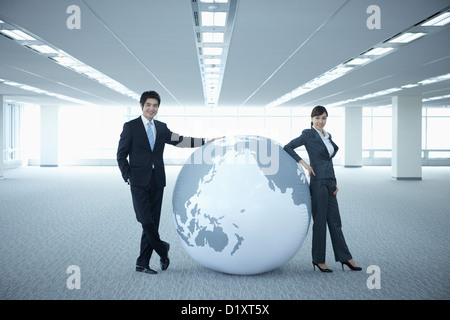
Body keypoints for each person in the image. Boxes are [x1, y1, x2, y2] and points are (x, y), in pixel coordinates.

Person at [117, 90, 223, 274]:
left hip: (157, 181)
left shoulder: (161, 127)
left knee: (152, 223)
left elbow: (180, 140)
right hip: (138, 182)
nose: (152, 108)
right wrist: (128, 177)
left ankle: (142, 262)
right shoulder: (130, 127)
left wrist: (206, 141)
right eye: (148, 105)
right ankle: (162, 248)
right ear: (141, 106)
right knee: (145, 221)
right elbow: (121, 155)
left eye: (155, 105)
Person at [284, 106, 361, 273]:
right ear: (312, 119)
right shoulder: (308, 134)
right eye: (317, 118)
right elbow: (288, 147)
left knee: (335, 221)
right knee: (320, 222)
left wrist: (335, 182)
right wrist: (304, 164)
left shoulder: (328, 136)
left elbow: (328, 161)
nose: (321, 121)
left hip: (330, 182)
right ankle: (318, 260)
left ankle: (345, 257)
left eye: (324, 118)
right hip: (318, 182)